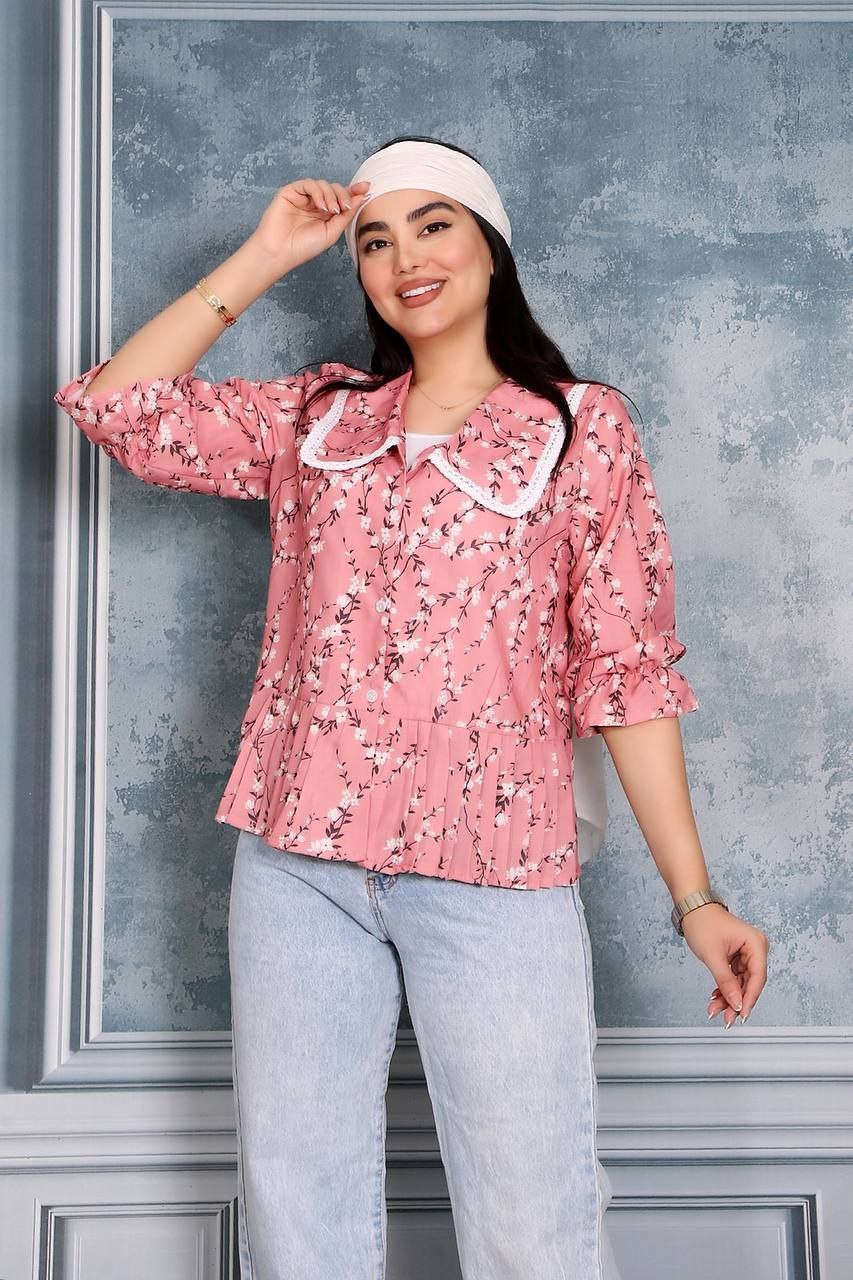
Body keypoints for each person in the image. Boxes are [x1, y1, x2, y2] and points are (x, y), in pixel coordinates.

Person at [54, 134, 770, 1280]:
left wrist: (696, 898)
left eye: (434, 225)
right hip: (296, 864)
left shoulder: (579, 429)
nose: (405, 258)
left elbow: (627, 671)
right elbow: (119, 409)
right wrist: (266, 253)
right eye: (376, 241)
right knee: (301, 1216)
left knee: (532, 1220)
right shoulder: (321, 418)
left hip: (494, 869)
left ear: (490, 246)